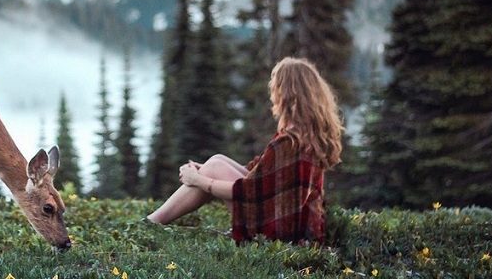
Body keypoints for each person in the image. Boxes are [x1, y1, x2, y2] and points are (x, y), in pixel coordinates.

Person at [146, 57, 344, 244]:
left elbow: (248, 191)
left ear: (287, 94)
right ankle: (153, 221)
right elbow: (262, 176)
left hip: (280, 234)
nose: (272, 93)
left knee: (214, 167)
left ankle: (150, 224)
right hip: (296, 225)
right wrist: (204, 168)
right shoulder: (307, 136)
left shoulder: (289, 141)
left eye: (275, 87)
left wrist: (198, 180)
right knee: (216, 161)